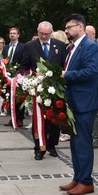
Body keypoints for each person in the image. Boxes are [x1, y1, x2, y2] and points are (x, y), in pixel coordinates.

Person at [58, 14, 98, 195]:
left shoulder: (90, 46)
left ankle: (86, 181)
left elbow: (91, 71)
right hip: (75, 99)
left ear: (80, 27)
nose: (66, 30)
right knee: (75, 142)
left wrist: (65, 75)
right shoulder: (72, 47)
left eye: (69, 27)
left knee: (83, 142)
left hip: (86, 100)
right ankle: (78, 177)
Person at [20, 21, 66, 159]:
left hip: (55, 88)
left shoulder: (60, 45)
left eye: (47, 34)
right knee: (39, 120)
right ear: (37, 32)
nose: (44, 36)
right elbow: (24, 67)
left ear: (51, 33)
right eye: (41, 34)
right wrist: (29, 78)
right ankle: (39, 148)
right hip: (38, 88)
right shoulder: (30, 46)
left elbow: (64, 65)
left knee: (55, 118)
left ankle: (52, 145)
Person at [3, 27, 26, 126]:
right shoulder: (6, 48)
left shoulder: (23, 47)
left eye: (14, 33)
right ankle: (12, 117)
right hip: (8, 76)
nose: (12, 35)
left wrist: (20, 72)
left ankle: (20, 119)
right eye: (11, 33)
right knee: (9, 97)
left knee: (19, 97)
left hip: (19, 75)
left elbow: (24, 60)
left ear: (18, 35)